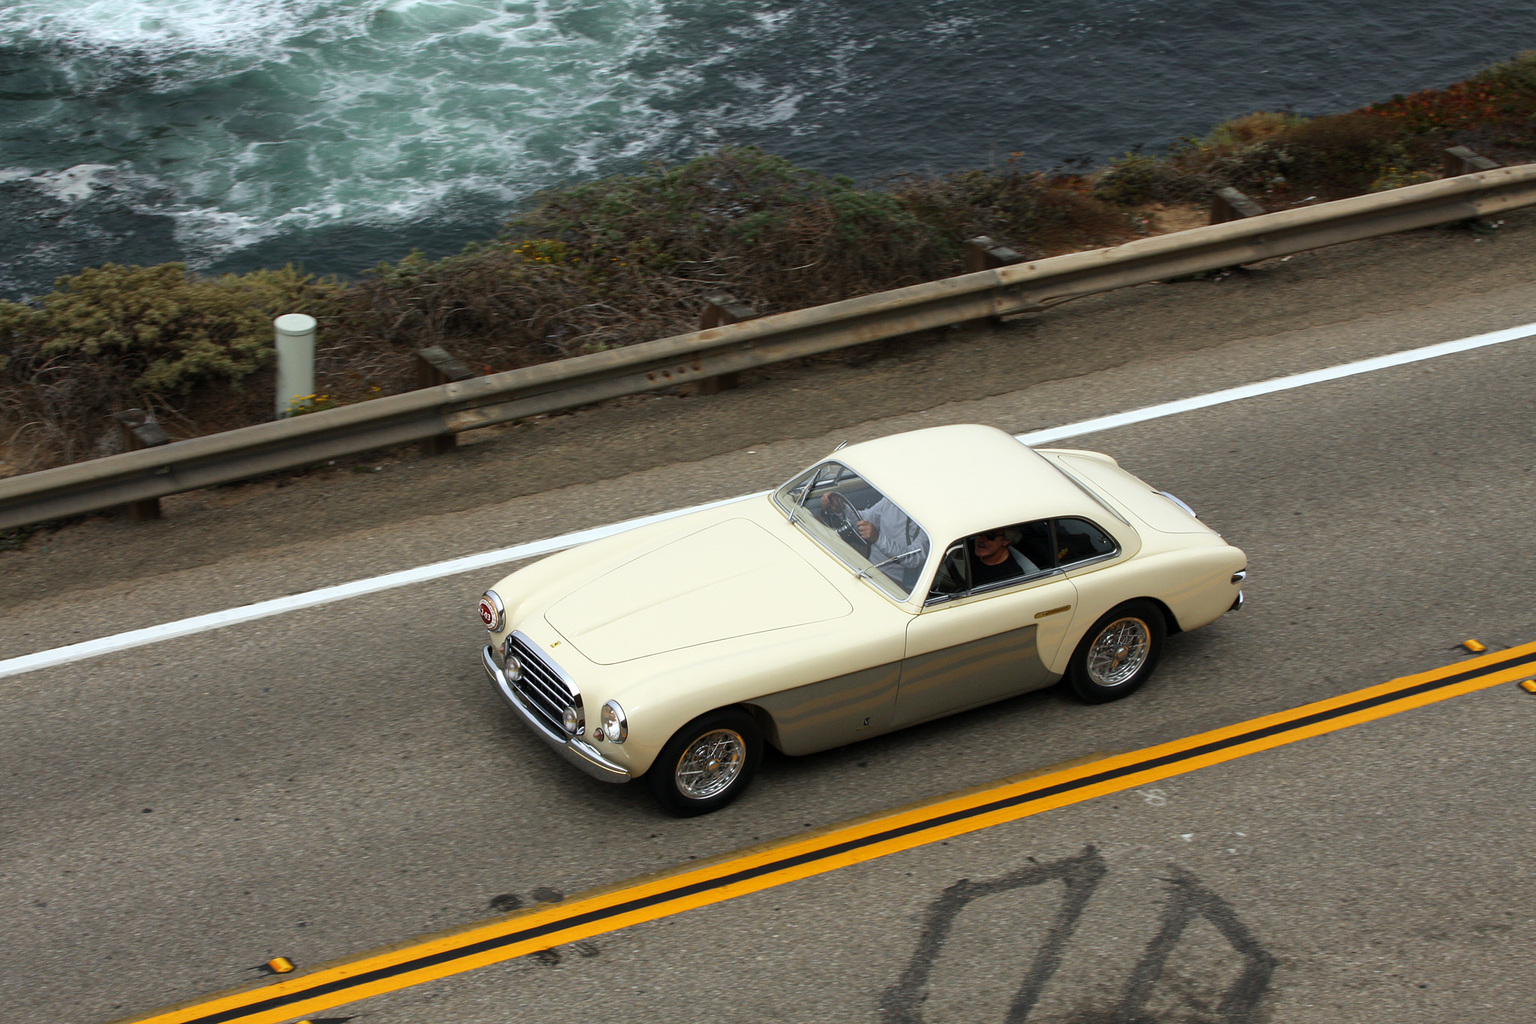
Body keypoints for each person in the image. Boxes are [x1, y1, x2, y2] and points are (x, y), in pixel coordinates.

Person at [820, 491, 929, 583]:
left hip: (893, 580)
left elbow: (914, 559)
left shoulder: (928, 521)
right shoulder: (891, 500)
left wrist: (878, 538)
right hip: (868, 562)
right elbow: (864, 519)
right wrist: (841, 508)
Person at [967, 526, 1038, 588]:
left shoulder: (1011, 577)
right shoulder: (966, 548)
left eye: (990, 536)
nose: (981, 539)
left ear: (1006, 541)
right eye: (980, 533)